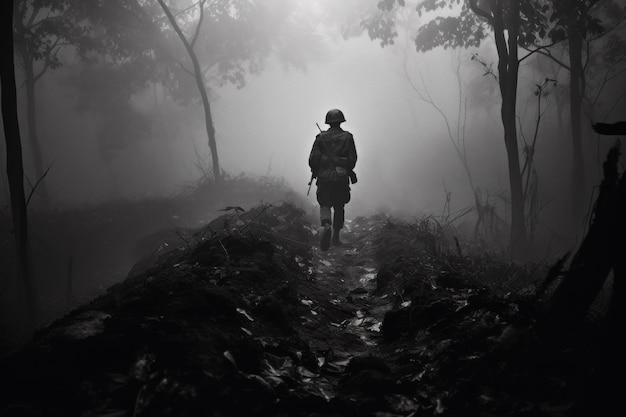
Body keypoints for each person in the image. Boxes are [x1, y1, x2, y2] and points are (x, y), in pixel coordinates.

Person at [308, 108, 358, 251]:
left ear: (328, 122)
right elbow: (352, 159)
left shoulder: (320, 138)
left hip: (324, 177)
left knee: (324, 203)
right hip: (341, 178)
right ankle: (336, 237)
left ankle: (326, 224)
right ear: (341, 121)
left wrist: (317, 169)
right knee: (339, 206)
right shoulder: (348, 137)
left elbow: (313, 159)